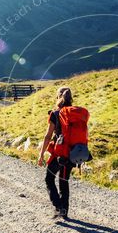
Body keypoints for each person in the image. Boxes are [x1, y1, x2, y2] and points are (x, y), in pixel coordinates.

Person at [37, 86, 84, 220]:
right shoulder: (75, 114)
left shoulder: (55, 114)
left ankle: (58, 206)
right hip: (73, 153)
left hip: (59, 154)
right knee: (64, 181)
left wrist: (41, 154)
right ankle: (64, 210)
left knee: (49, 179)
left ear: (58, 97)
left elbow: (47, 136)